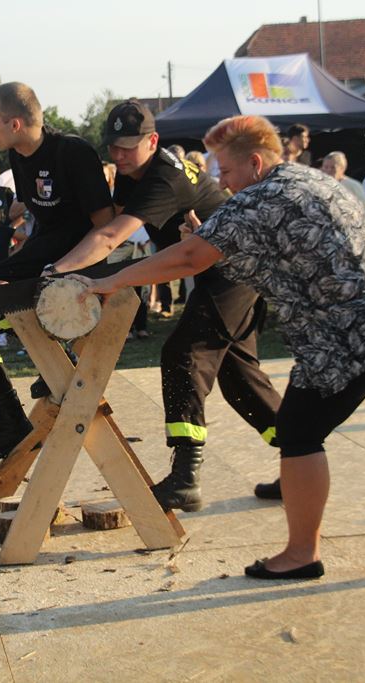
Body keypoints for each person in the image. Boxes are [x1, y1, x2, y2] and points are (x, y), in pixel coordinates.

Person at [74, 114, 365, 579]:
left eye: (225, 172)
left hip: (353, 336)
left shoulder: (257, 200)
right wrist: (206, 236)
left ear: (254, 163)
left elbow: (189, 259)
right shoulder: (309, 177)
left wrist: (113, 279)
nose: (221, 182)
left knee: (299, 434)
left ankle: (301, 554)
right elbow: (280, 254)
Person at [50, 100, 284, 510]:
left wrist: (58, 271)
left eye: (127, 146)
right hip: (217, 269)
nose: (118, 155)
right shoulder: (131, 174)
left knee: (183, 355)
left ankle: (185, 477)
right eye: (113, 147)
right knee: (240, 379)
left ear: (152, 141)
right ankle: (300, 451)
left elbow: (110, 238)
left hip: (233, 271)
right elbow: (112, 232)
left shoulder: (163, 177)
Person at [0, 81, 114, 469]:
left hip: (78, 261)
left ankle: (56, 358)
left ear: (15, 123)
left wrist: (70, 275)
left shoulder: (74, 153)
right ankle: (9, 420)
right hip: (44, 251)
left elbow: (105, 227)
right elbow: (42, 222)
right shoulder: (19, 157)